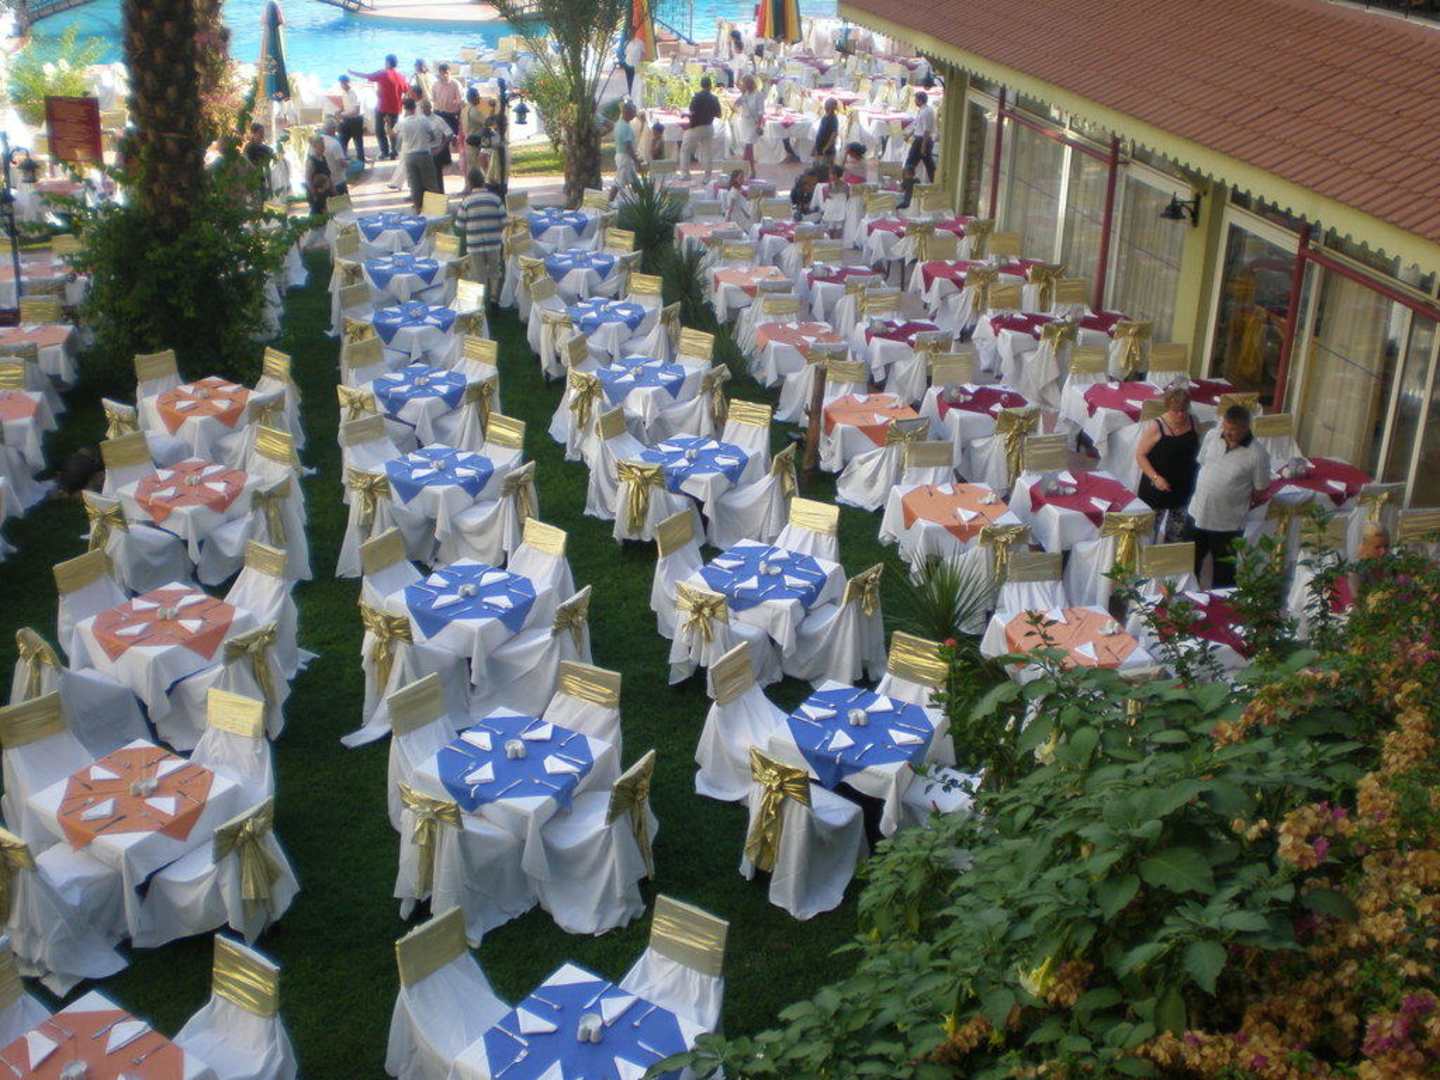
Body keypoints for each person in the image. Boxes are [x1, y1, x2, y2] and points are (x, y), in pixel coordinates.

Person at [1185, 404, 1271, 588]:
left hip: (1227, 524)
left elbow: (1260, 489)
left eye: (1233, 430)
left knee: (1224, 575)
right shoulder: (1212, 435)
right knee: (1187, 566)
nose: (1227, 433)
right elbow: (1202, 462)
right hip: (1197, 513)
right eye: (1225, 427)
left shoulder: (1258, 454)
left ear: (1245, 428)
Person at [1135, 385, 1200, 541]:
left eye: (1183, 410)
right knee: (1148, 533)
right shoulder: (1156, 426)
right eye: (1175, 411)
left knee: (1177, 534)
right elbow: (1140, 455)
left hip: (1184, 485)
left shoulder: (1194, 422)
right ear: (1168, 407)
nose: (1180, 415)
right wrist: (1155, 478)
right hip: (1157, 486)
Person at [349, 55, 409, 161]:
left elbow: (367, 76)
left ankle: (385, 152)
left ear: (388, 63)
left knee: (379, 131)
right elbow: (406, 90)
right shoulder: (401, 76)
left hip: (382, 108)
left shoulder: (383, 73)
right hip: (395, 108)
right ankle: (394, 152)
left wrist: (352, 72)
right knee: (393, 131)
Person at [456, 172, 507, 297]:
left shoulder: (466, 202)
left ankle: (481, 299)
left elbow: (460, 225)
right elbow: (504, 221)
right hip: (494, 242)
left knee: (478, 274)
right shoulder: (496, 199)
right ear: (483, 182)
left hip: (474, 244)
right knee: (495, 270)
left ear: (469, 183)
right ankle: (494, 295)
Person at [393, 98, 440, 211]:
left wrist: (388, 123)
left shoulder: (402, 122)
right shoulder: (423, 120)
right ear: (415, 107)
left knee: (415, 185)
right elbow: (432, 136)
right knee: (431, 183)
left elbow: (393, 135)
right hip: (424, 154)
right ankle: (435, 211)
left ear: (405, 108)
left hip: (409, 156)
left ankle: (418, 209)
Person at [899, 89, 937, 208]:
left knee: (910, 164)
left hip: (922, 141)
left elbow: (926, 131)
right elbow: (917, 126)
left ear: (919, 100)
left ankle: (906, 189)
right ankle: (908, 186)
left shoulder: (926, 112)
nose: (914, 101)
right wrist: (909, 135)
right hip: (919, 139)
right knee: (927, 165)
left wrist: (923, 146)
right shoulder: (922, 110)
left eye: (915, 99)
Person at [680, 76, 721, 181]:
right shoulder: (714, 98)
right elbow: (719, 115)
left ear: (701, 85)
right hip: (709, 126)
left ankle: (685, 175)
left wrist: (685, 115)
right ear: (710, 86)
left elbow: (692, 113)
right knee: (707, 152)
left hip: (696, 127)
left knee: (685, 149)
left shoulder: (697, 97)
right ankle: (707, 176)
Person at [431, 63, 463, 163]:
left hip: (450, 114)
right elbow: (434, 99)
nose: (444, 75)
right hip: (439, 113)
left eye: (446, 73)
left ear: (450, 72)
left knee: (449, 137)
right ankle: (444, 158)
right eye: (442, 73)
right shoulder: (435, 85)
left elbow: (460, 101)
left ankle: (447, 157)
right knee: (439, 136)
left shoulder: (455, 84)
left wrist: (459, 115)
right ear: (439, 73)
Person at [610, 100, 642, 198]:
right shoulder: (625, 127)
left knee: (634, 180)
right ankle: (609, 200)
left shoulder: (619, 124)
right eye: (633, 112)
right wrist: (636, 160)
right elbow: (628, 146)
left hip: (623, 156)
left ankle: (644, 198)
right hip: (625, 157)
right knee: (619, 181)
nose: (634, 115)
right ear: (626, 112)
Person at [736, 74, 765, 178]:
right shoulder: (745, 94)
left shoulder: (759, 95)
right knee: (748, 148)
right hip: (745, 123)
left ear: (749, 83)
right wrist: (741, 94)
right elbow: (736, 104)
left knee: (748, 146)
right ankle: (751, 170)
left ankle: (742, 170)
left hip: (754, 124)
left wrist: (759, 125)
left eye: (744, 84)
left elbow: (761, 112)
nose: (743, 85)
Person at [462, 87, 489, 193]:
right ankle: (476, 188)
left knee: (471, 166)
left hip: (469, 141)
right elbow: (487, 123)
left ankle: (469, 187)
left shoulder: (465, 109)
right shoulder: (474, 111)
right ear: (473, 98)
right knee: (476, 167)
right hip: (475, 142)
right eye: (477, 96)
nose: (479, 98)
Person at [336, 74, 366, 163]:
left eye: (343, 83)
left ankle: (361, 160)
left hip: (356, 120)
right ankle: (343, 160)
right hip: (347, 119)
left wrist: (342, 114)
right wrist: (339, 111)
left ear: (347, 82)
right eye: (341, 83)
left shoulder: (354, 93)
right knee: (343, 141)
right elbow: (345, 105)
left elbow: (356, 110)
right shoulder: (344, 93)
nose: (341, 85)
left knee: (357, 142)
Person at [420, 98, 452, 179]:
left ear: (430, 107)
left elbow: (449, 134)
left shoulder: (438, 120)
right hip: (423, 152)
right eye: (422, 107)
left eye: (426, 107)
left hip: (435, 152)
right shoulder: (419, 120)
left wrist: (440, 148)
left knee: (437, 177)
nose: (424, 109)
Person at [319, 117, 351, 195]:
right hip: (337, 181)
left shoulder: (316, 142)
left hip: (322, 183)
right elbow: (342, 163)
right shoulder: (334, 144)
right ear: (333, 129)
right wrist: (349, 163)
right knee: (342, 202)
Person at [304, 134, 333, 216]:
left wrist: (333, 189)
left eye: (324, 146)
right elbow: (308, 179)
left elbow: (328, 174)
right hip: (317, 194)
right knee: (317, 214)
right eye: (321, 147)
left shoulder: (323, 158)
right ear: (315, 147)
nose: (324, 148)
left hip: (325, 192)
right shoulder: (311, 161)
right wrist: (314, 195)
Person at [481, 109, 509, 194]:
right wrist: (488, 174)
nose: (505, 127)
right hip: (493, 182)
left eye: (506, 124)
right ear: (496, 125)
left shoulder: (503, 138)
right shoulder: (492, 138)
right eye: (503, 124)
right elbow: (482, 157)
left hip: (503, 180)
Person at [812, 97, 839, 165]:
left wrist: (826, 148)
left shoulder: (833, 119)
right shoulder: (824, 117)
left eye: (827, 104)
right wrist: (814, 147)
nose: (825, 106)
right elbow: (819, 133)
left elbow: (834, 135)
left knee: (824, 168)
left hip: (827, 151)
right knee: (816, 167)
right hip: (820, 148)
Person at [621, 33, 644, 97]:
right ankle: (631, 94)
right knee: (629, 81)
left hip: (636, 65)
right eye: (628, 33)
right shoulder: (627, 43)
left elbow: (643, 54)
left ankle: (635, 95)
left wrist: (641, 64)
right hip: (627, 64)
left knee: (635, 81)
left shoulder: (640, 42)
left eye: (631, 32)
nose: (629, 35)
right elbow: (625, 53)